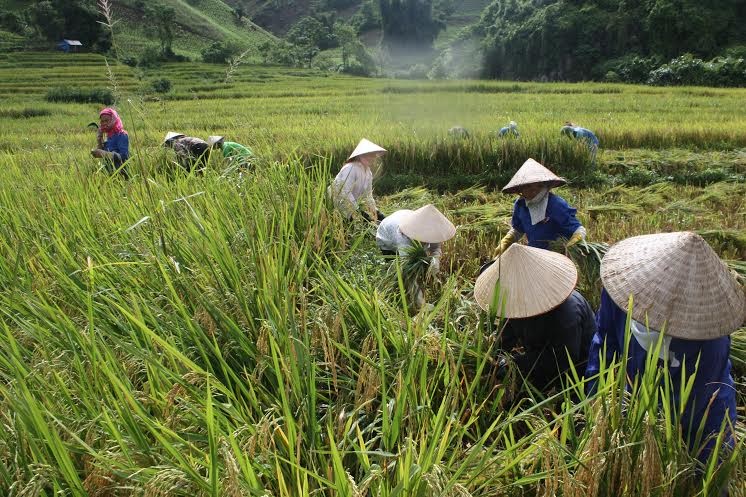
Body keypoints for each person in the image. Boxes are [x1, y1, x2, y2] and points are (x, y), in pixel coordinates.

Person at [585, 232, 745, 465]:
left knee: (702, 471)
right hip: (635, 392)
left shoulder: (708, 336)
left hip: (703, 419)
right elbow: (604, 346)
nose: (656, 310)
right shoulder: (620, 293)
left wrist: (652, 431)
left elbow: (696, 402)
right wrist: (598, 401)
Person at [475, 244, 596, 391]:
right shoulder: (514, 299)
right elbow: (507, 333)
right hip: (540, 354)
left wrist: (516, 363)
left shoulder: (566, 313)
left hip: (577, 372)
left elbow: (563, 360)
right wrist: (493, 360)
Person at [495, 158, 586, 255]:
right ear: (520, 189)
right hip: (534, 254)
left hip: (557, 256)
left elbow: (578, 230)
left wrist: (572, 245)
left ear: (546, 186)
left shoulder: (556, 204)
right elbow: (518, 229)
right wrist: (506, 241)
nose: (533, 190)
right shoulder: (521, 205)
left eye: (538, 186)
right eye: (528, 186)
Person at [376, 204, 456, 309]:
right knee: (396, 270)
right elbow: (408, 270)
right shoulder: (403, 236)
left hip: (402, 215)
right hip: (386, 238)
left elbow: (435, 248)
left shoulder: (432, 227)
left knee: (420, 265)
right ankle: (398, 295)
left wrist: (435, 261)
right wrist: (421, 304)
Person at [328, 138, 386, 222]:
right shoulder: (350, 168)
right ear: (359, 155)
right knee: (346, 226)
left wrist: (375, 211)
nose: (370, 158)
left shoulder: (368, 173)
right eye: (366, 155)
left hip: (349, 204)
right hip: (335, 203)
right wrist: (358, 211)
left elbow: (368, 195)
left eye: (372, 155)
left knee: (363, 223)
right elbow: (345, 192)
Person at [91, 107, 129, 178]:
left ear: (114, 119)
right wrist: (99, 140)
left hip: (120, 173)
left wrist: (105, 154)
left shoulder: (122, 135)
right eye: (102, 121)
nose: (104, 123)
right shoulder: (108, 135)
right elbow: (102, 152)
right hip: (108, 172)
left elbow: (124, 156)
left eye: (107, 120)